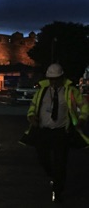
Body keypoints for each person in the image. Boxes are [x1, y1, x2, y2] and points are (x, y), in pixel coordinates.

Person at [20, 63, 89, 202]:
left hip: (61, 132)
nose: (54, 82)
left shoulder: (71, 91)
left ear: (62, 78)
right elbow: (33, 106)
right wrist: (31, 116)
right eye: (51, 79)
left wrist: (81, 119)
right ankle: (53, 176)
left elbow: (84, 106)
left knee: (60, 162)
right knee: (42, 158)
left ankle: (58, 191)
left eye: (56, 79)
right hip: (43, 131)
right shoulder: (42, 91)